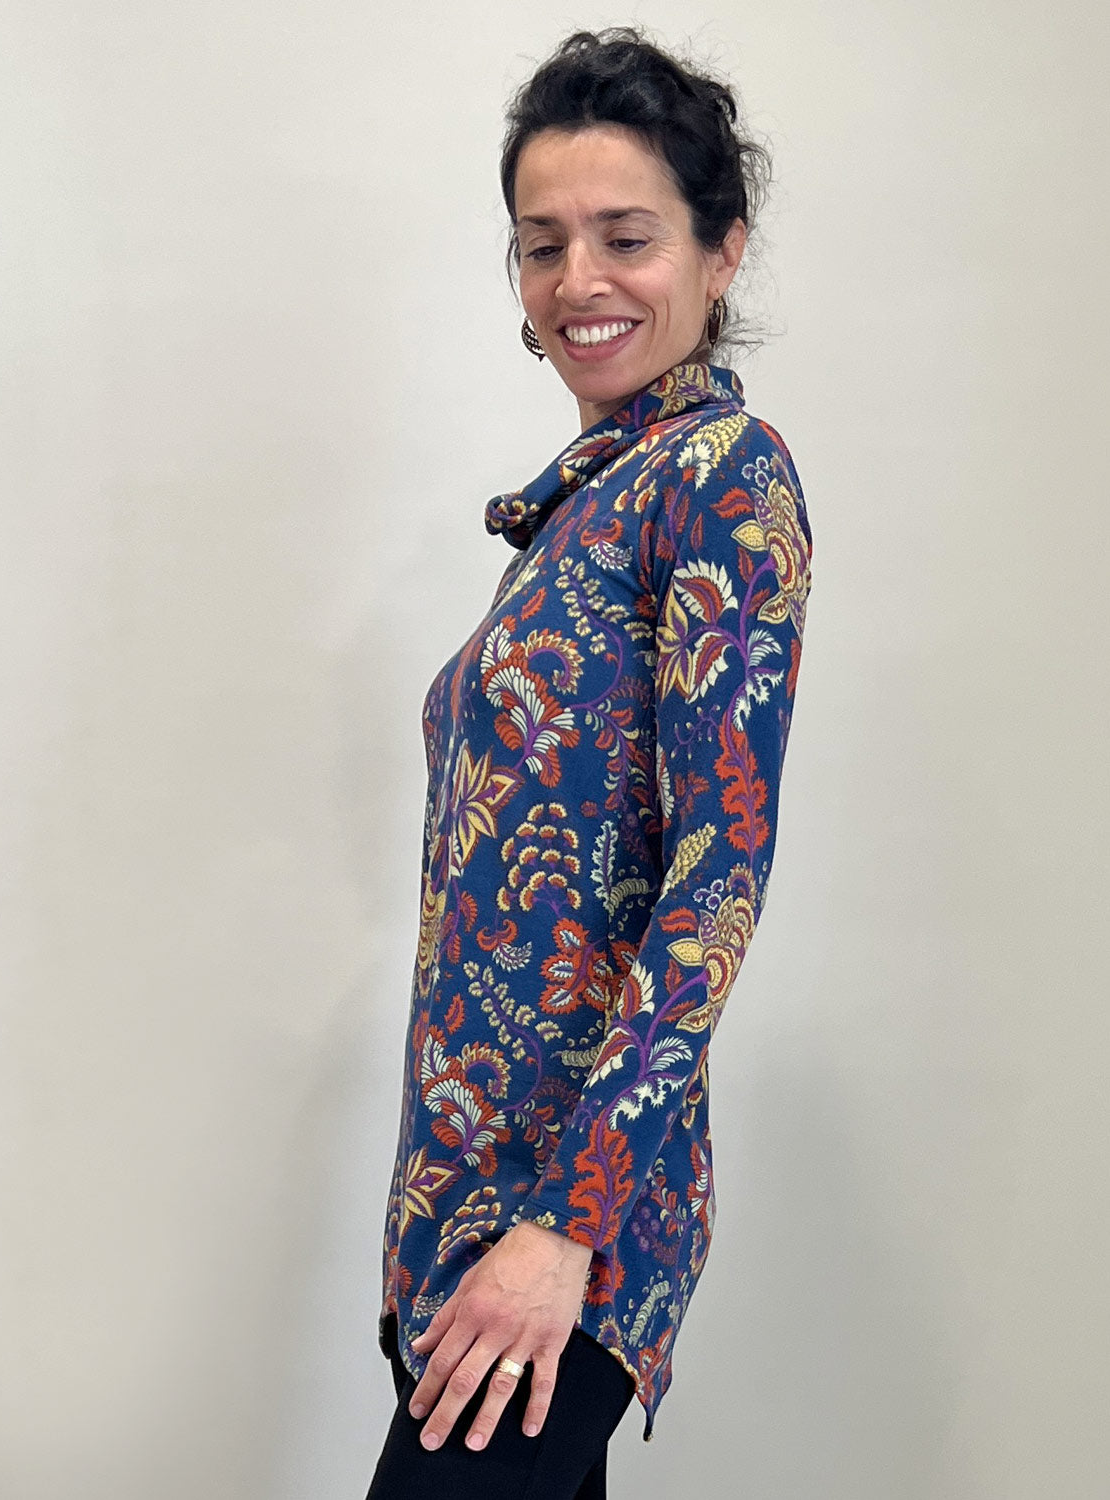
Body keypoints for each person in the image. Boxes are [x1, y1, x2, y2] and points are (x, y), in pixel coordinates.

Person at [366, 25, 813, 1499]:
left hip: (563, 1228)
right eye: (541, 243)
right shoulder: (578, 509)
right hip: (462, 1215)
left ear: (720, 251)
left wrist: (565, 1229)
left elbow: (717, 877)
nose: (578, 281)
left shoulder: (719, 475)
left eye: (627, 237)